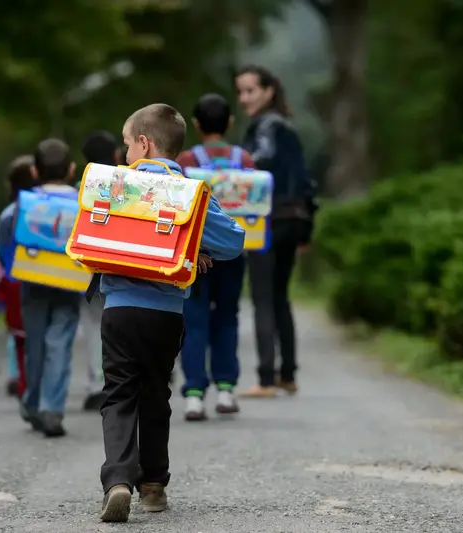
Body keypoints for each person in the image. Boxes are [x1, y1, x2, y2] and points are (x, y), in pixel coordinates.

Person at [98, 104, 245, 522]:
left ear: (143, 144)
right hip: (167, 313)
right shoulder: (191, 192)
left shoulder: (117, 185)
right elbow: (234, 242)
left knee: (118, 394)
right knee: (155, 393)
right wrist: (195, 243)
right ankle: (154, 485)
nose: (125, 153)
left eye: (127, 144)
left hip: (121, 308)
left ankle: (118, 481)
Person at [234, 65, 317, 398]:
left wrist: (235, 164)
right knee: (280, 295)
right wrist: (306, 230)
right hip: (294, 218)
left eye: (250, 91)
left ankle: (266, 378)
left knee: (263, 296)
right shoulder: (287, 127)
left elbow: (260, 160)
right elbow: (308, 182)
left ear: (268, 91)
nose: (244, 98)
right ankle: (288, 374)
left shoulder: (265, 126)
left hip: (268, 221)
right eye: (240, 92)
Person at [175, 93, 255, 421]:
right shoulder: (245, 159)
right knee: (227, 317)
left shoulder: (187, 161)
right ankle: (226, 389)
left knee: (193, 320)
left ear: (195, 124)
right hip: (234, 253)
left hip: (196, 253)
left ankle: (194, 394)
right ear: (230, 122)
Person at [0, 139, 82, 438]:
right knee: (59, 343)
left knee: (34, 344)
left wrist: (12, 272)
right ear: (72, 170)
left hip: (32, 281)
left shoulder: (21, 204)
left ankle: (31, 402)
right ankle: (52, 408)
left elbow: (4, 239)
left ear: (34, 171)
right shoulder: (83, 201)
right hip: (71, 283)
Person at [79, 130, 123, 412]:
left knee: (94, 327)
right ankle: (125, 382)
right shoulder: (130, 186)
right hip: (123, 268)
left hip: (91, 271)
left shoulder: (81, 187)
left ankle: (98, 385)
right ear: (118, 155)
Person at [0, 155, 36, 399]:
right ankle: (36, 377)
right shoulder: (45, 206)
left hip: (13, 278)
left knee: (16, 333)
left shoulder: (9, 212)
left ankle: (16, 375)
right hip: (42, 278)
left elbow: (1, 249)